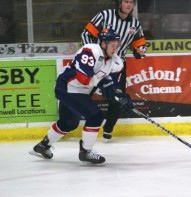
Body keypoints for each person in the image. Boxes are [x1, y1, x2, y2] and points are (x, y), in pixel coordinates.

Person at [29, 28, 134, 165]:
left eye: (117, 45)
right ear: (103, 43)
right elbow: (83, 78)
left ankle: (43, 146)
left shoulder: (117, 63)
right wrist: (105, 84)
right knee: (96, 117)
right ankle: (86, 152)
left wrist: (121, 97)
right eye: (112, 45)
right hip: (66, 87)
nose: (115, 48)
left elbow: (113, 86)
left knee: (68, 123)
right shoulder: (90, 50)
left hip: (81, 92)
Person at [81, 0, 146, 142]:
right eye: (125, 1)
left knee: (117, 98)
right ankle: (67, 122)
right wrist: (93, 54)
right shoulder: (105, 16)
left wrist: (140, 51)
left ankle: (108, 129)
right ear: (120, 3)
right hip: (97, 64)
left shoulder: (134, 25)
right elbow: (86, 34)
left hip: (117, 66)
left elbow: (140, 45)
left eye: (131, 2)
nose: (128, 5)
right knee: (82, 94)